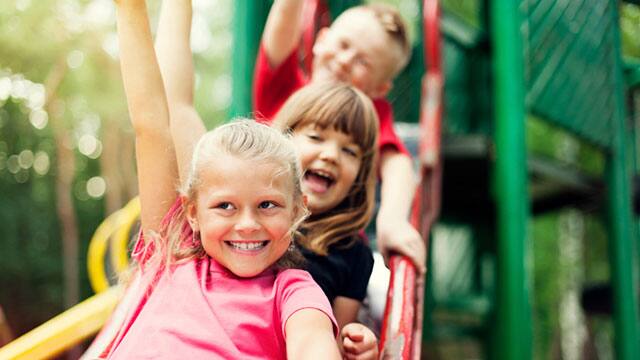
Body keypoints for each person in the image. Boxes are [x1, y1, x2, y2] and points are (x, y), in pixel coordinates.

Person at [101, 1, 341, 358]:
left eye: (267, 205)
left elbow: (312, 343)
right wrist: (130, 9)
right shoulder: (171, 253)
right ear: (193, 212)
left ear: (297, 210)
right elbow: (152, 124)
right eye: (225, 206)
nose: (247, 224)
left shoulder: (293, 292)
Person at [154, 2, 379, 358]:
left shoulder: (324, 271)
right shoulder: (208, 230)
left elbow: (326, 338)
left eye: (349, 151)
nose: (248, 224)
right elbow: (174, 108)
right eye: (317, 139)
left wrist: (354, 346)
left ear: (297, 212)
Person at [254, 0, 426, 273]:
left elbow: (398, 163)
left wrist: (392, 219)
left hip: (327, 253)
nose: (345, 61)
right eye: (344, 45)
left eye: (363, 62)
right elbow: (284, 19)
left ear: (379, 88)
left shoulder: (368, 116)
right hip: (256, 229)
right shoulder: (285, 87)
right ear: (321, 40)